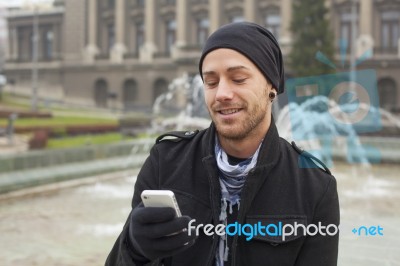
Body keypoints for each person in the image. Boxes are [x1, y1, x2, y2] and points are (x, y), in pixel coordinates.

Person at [106, 22, 340, 266]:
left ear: (271, 86)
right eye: (211, 82)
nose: (221, 94)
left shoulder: (315, 187)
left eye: (238, 79)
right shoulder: (165, 161)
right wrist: (133, 251)